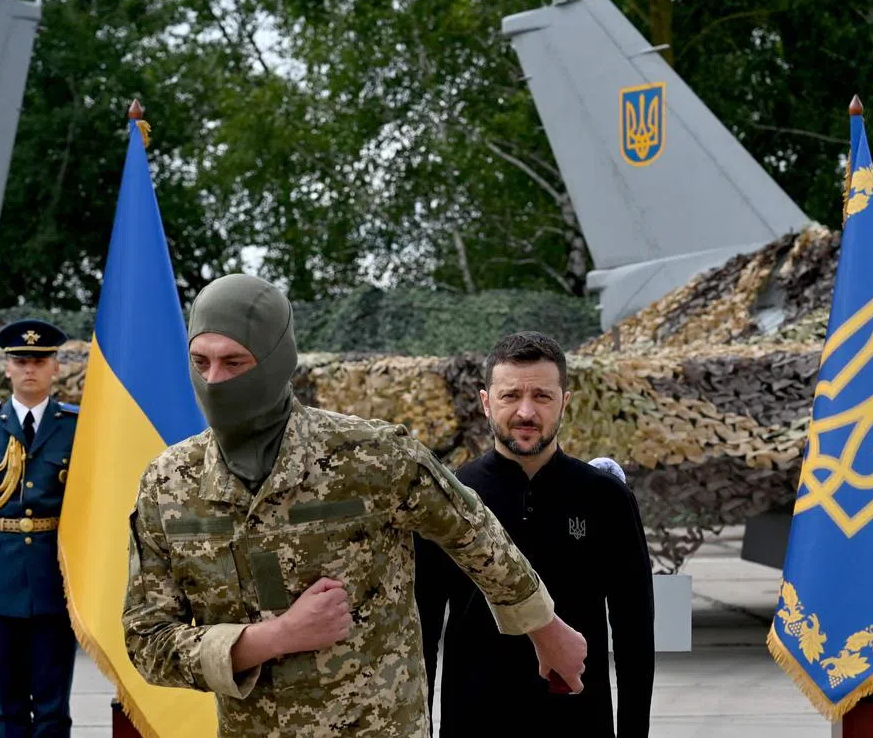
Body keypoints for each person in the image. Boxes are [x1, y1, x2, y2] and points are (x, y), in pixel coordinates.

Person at [121, 274, 587, 738]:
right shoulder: (168, 485)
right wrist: (272, 638)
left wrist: (545, 630)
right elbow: (147, 640)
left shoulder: (371, 456)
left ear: (277, 359)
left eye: (234, 362)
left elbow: (473, 532)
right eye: (200, 362)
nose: (214, 381)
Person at [415, 331, 655, 738]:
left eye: (542, 396)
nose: (526, 412)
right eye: (510, 396)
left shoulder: (605, 497)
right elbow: (421, 632)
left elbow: (635, 633)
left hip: (580, 722)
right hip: (474, 721)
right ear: (486, 402)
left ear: (565, 402)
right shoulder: (452, 497)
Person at [0, 318, 79, 737]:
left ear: (55, 367)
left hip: (54, 582)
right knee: (5, 709)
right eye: (21, 360)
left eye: (40, 361)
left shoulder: (78, 426)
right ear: (7, 367)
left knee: (53, 706)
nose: (30, 369)